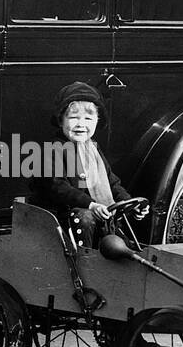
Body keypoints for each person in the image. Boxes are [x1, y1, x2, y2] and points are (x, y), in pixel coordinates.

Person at [28, 81, 141, 249]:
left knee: (121, 241)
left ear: (97, 121)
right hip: (61, 217)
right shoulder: (53, 149)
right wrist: (91, 204)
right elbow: (57, 186)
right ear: (61, 121)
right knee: (86, 217)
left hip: (91, 213)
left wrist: (130, 203)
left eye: (88, 118)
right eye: (73, 118)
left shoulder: (92, 149)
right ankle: (83, 258)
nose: (81, 124)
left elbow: (111, 182)